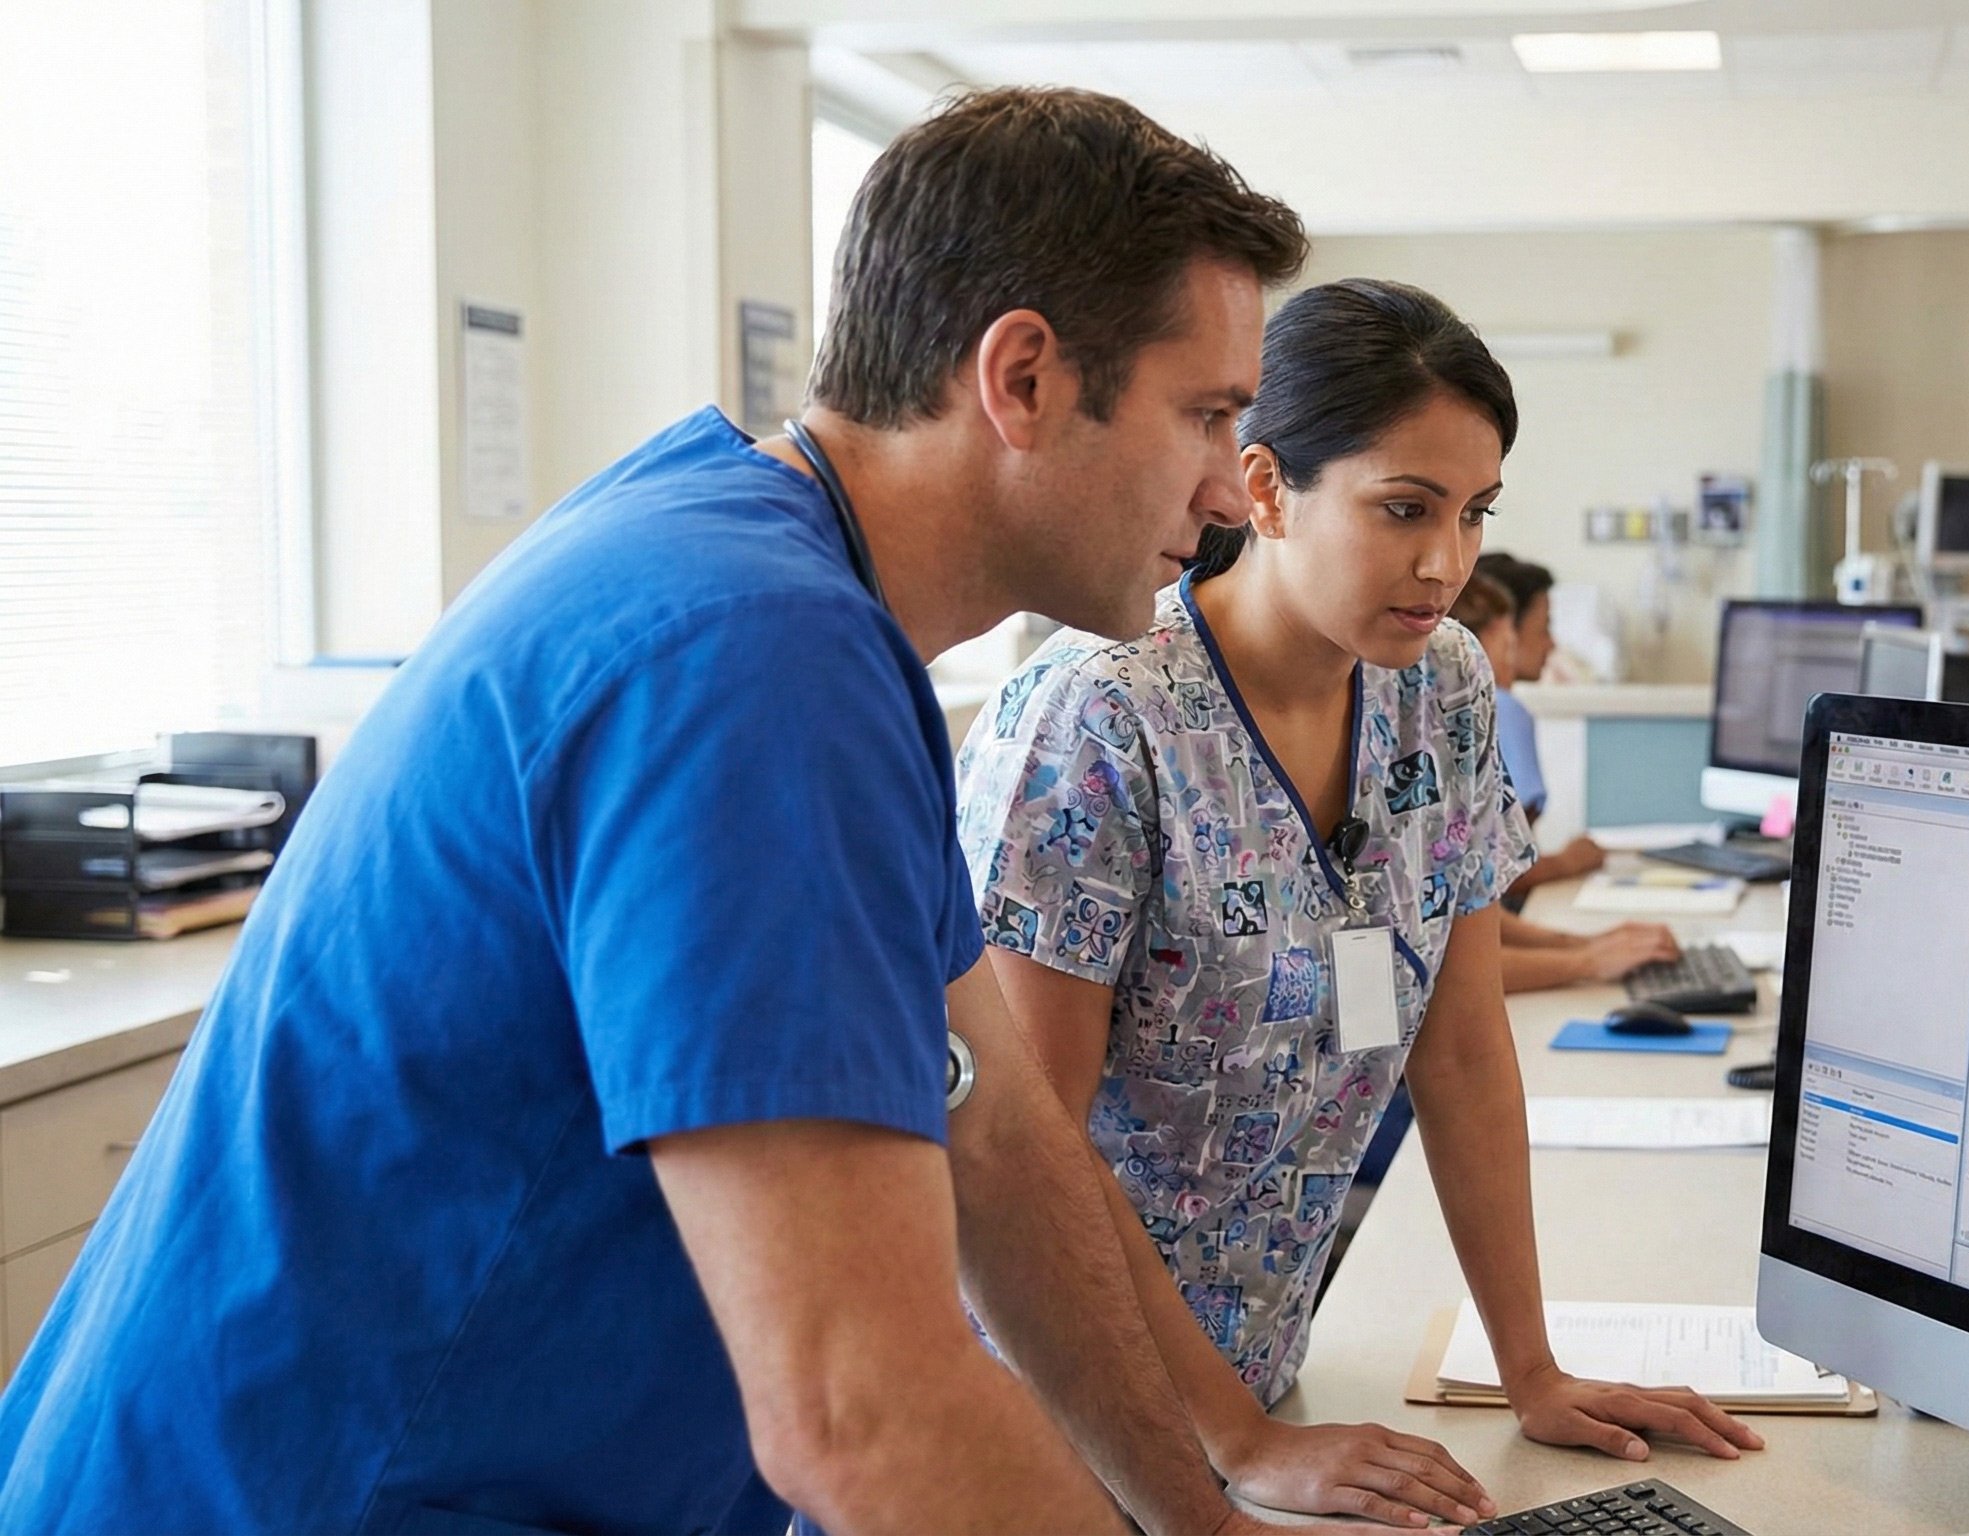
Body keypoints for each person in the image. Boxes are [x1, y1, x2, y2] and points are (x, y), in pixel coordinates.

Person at [0, 88, 1337, 1536]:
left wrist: (1202, 1526)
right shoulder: (755, 657)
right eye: (1207, 416)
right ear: (1020, 379)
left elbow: (998, 1138)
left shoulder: (779, 591)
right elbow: (864, 1416)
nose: (1230, 493)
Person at [960, 278, 1764, 1531]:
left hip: (1267, 1392)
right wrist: (1233, 1439)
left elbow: (1463, 1049)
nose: (1446, 563)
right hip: (1055, 1411)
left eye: (1473, 514)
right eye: (1403, 508)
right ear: (1266, 488)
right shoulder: (1101, 714)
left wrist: (1531, 1371)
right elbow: (1029, 1141)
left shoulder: (1441, 687)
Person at [1449, 573, 1682, 991]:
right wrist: (1586, 959)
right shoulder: (1496, 709)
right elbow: (1499, 883)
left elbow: (1466, 906)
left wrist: (1584, 947)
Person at [1470, 551, 1607, 896]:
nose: (1552, 643)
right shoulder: (1504, 709)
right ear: (1502, 628)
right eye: (1544, 627)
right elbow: (1505, 870)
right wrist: (1570, 861)